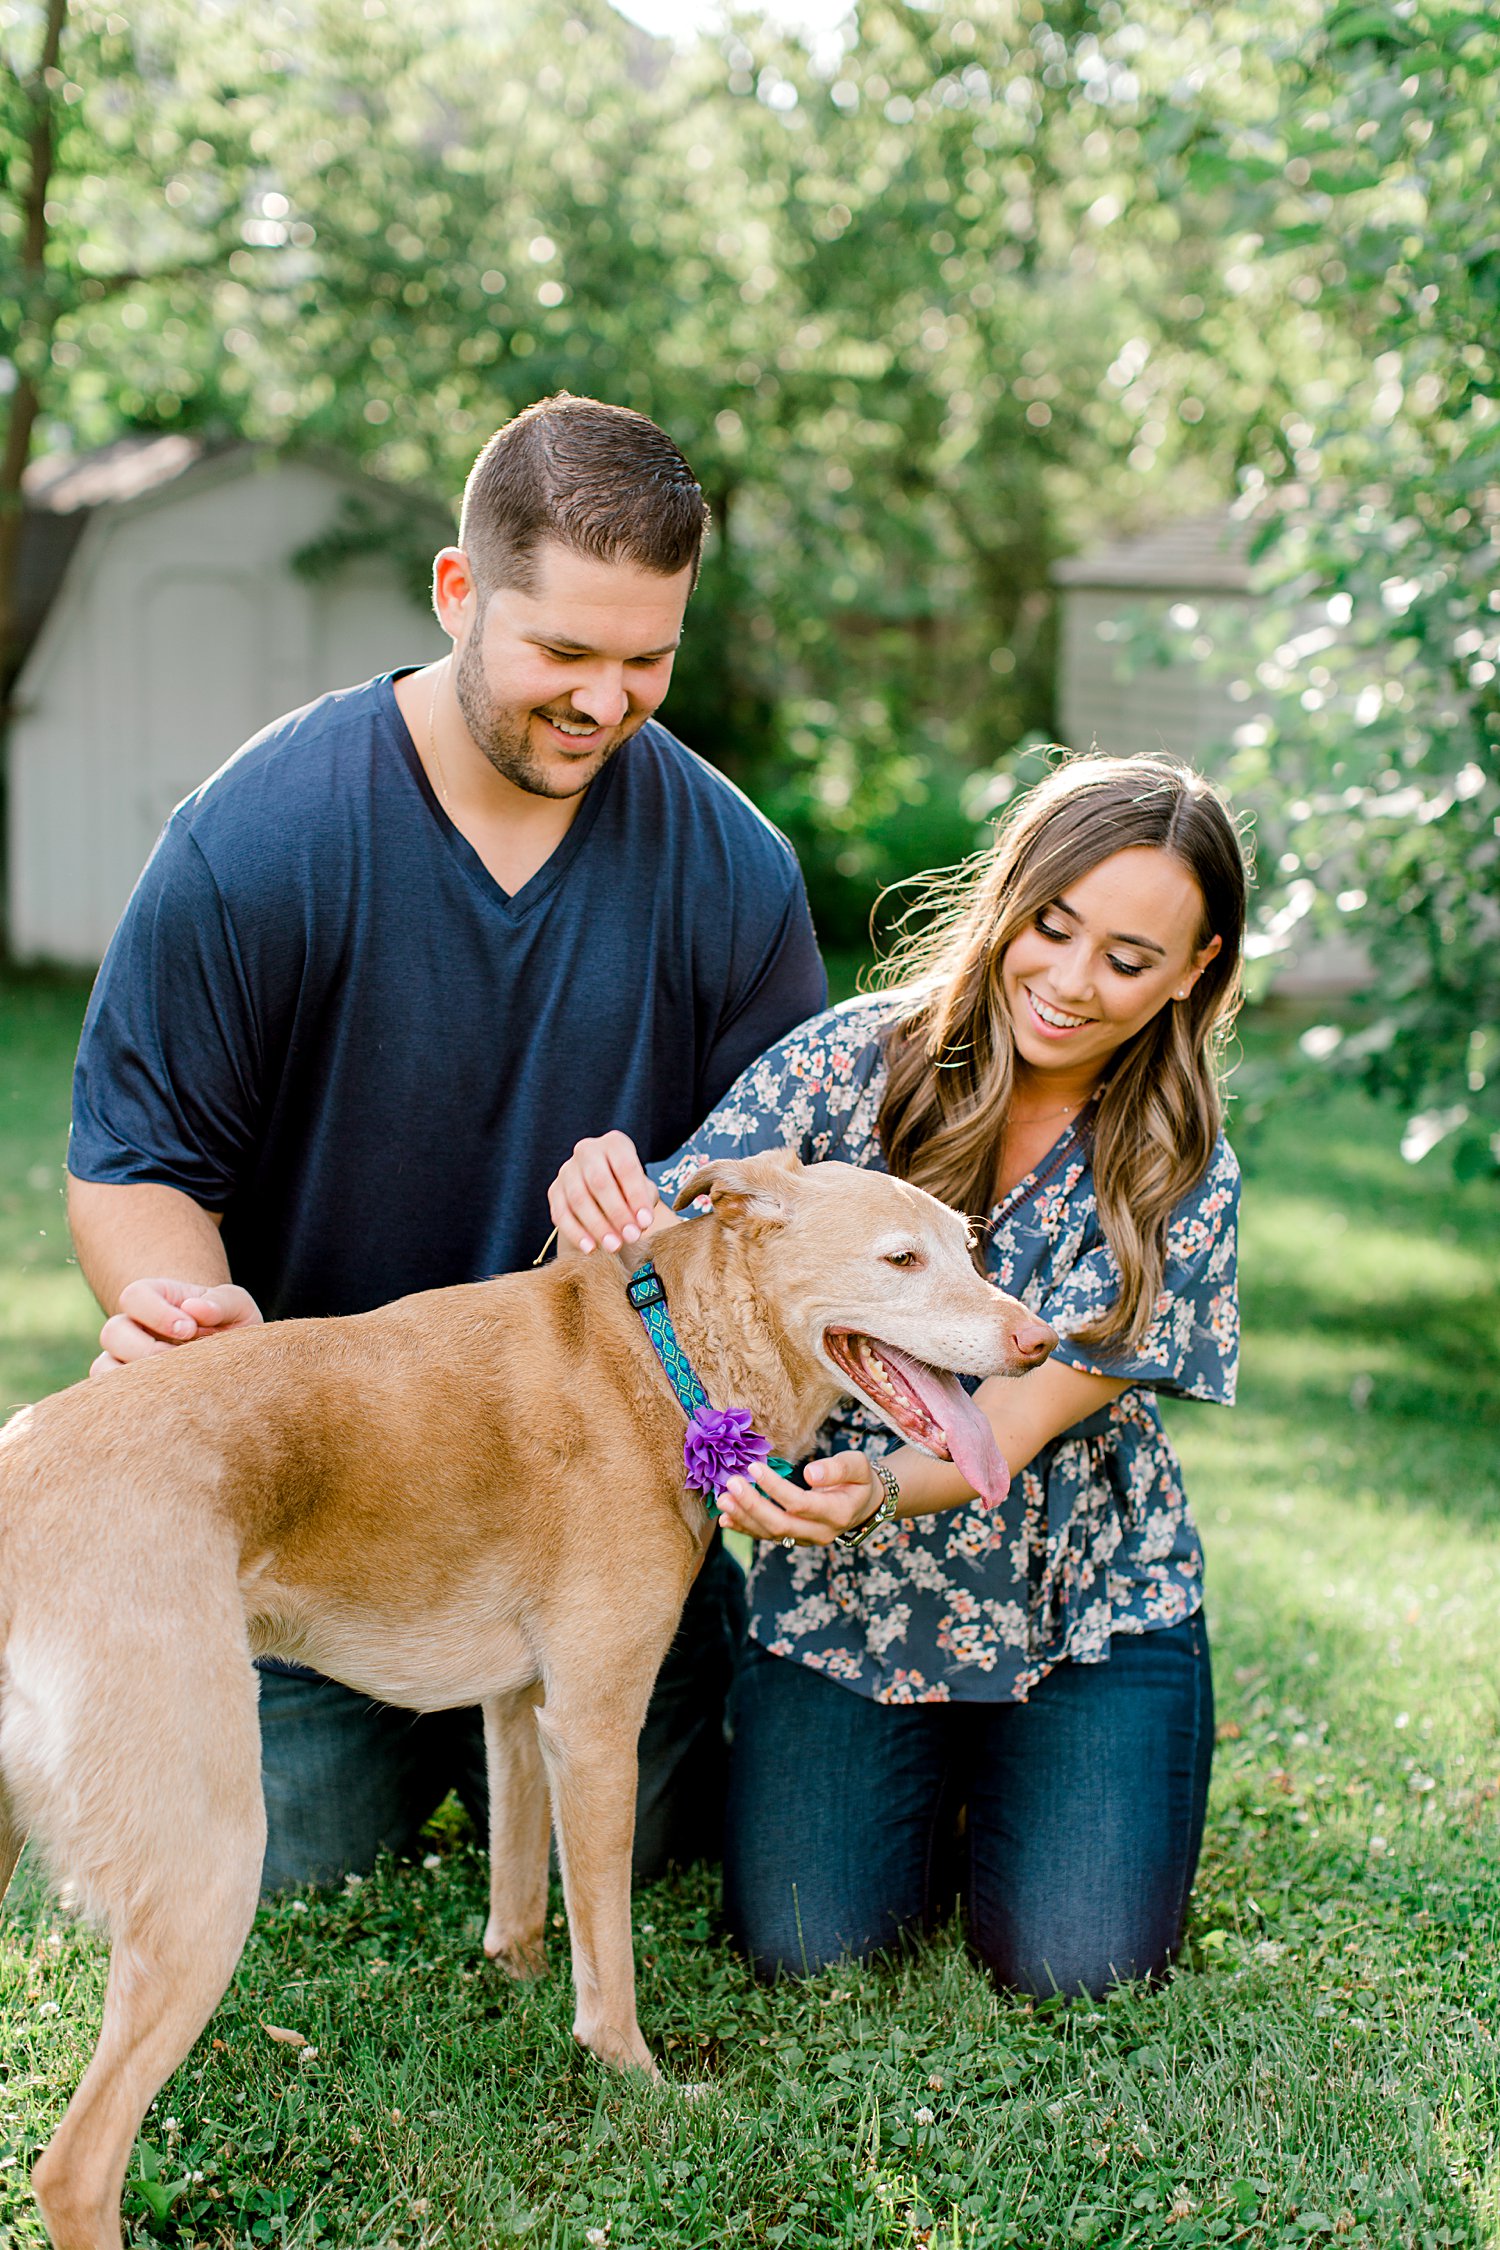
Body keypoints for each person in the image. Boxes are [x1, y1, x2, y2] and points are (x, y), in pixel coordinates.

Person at [66, 392, 826, 1891]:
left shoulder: (734, 867)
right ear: (457, 591)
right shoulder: (258, 838)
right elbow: (141, 1162)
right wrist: (178, 1304)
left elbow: (782, 1207)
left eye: (647, 659)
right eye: (564, 652)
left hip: (609, 1505)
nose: (607, 701)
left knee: (670, 1850)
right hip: (336, 1516)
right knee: (289, 1860)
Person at [548, 751, 1245, 1997]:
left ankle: (1042, 1771)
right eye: (1053, 926)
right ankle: (930, 1783)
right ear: (1009, 901)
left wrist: (864, 1489)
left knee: (1076, 1968)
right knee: (805, 1950)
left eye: (1130, 961)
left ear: (1195, 971)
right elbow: (667, 1238)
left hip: (1082, 1606)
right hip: (846, 1612)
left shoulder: (1178, 1167)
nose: (1071, 984)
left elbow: (1004, 1432)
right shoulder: (844, 1066)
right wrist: (599, 1194)